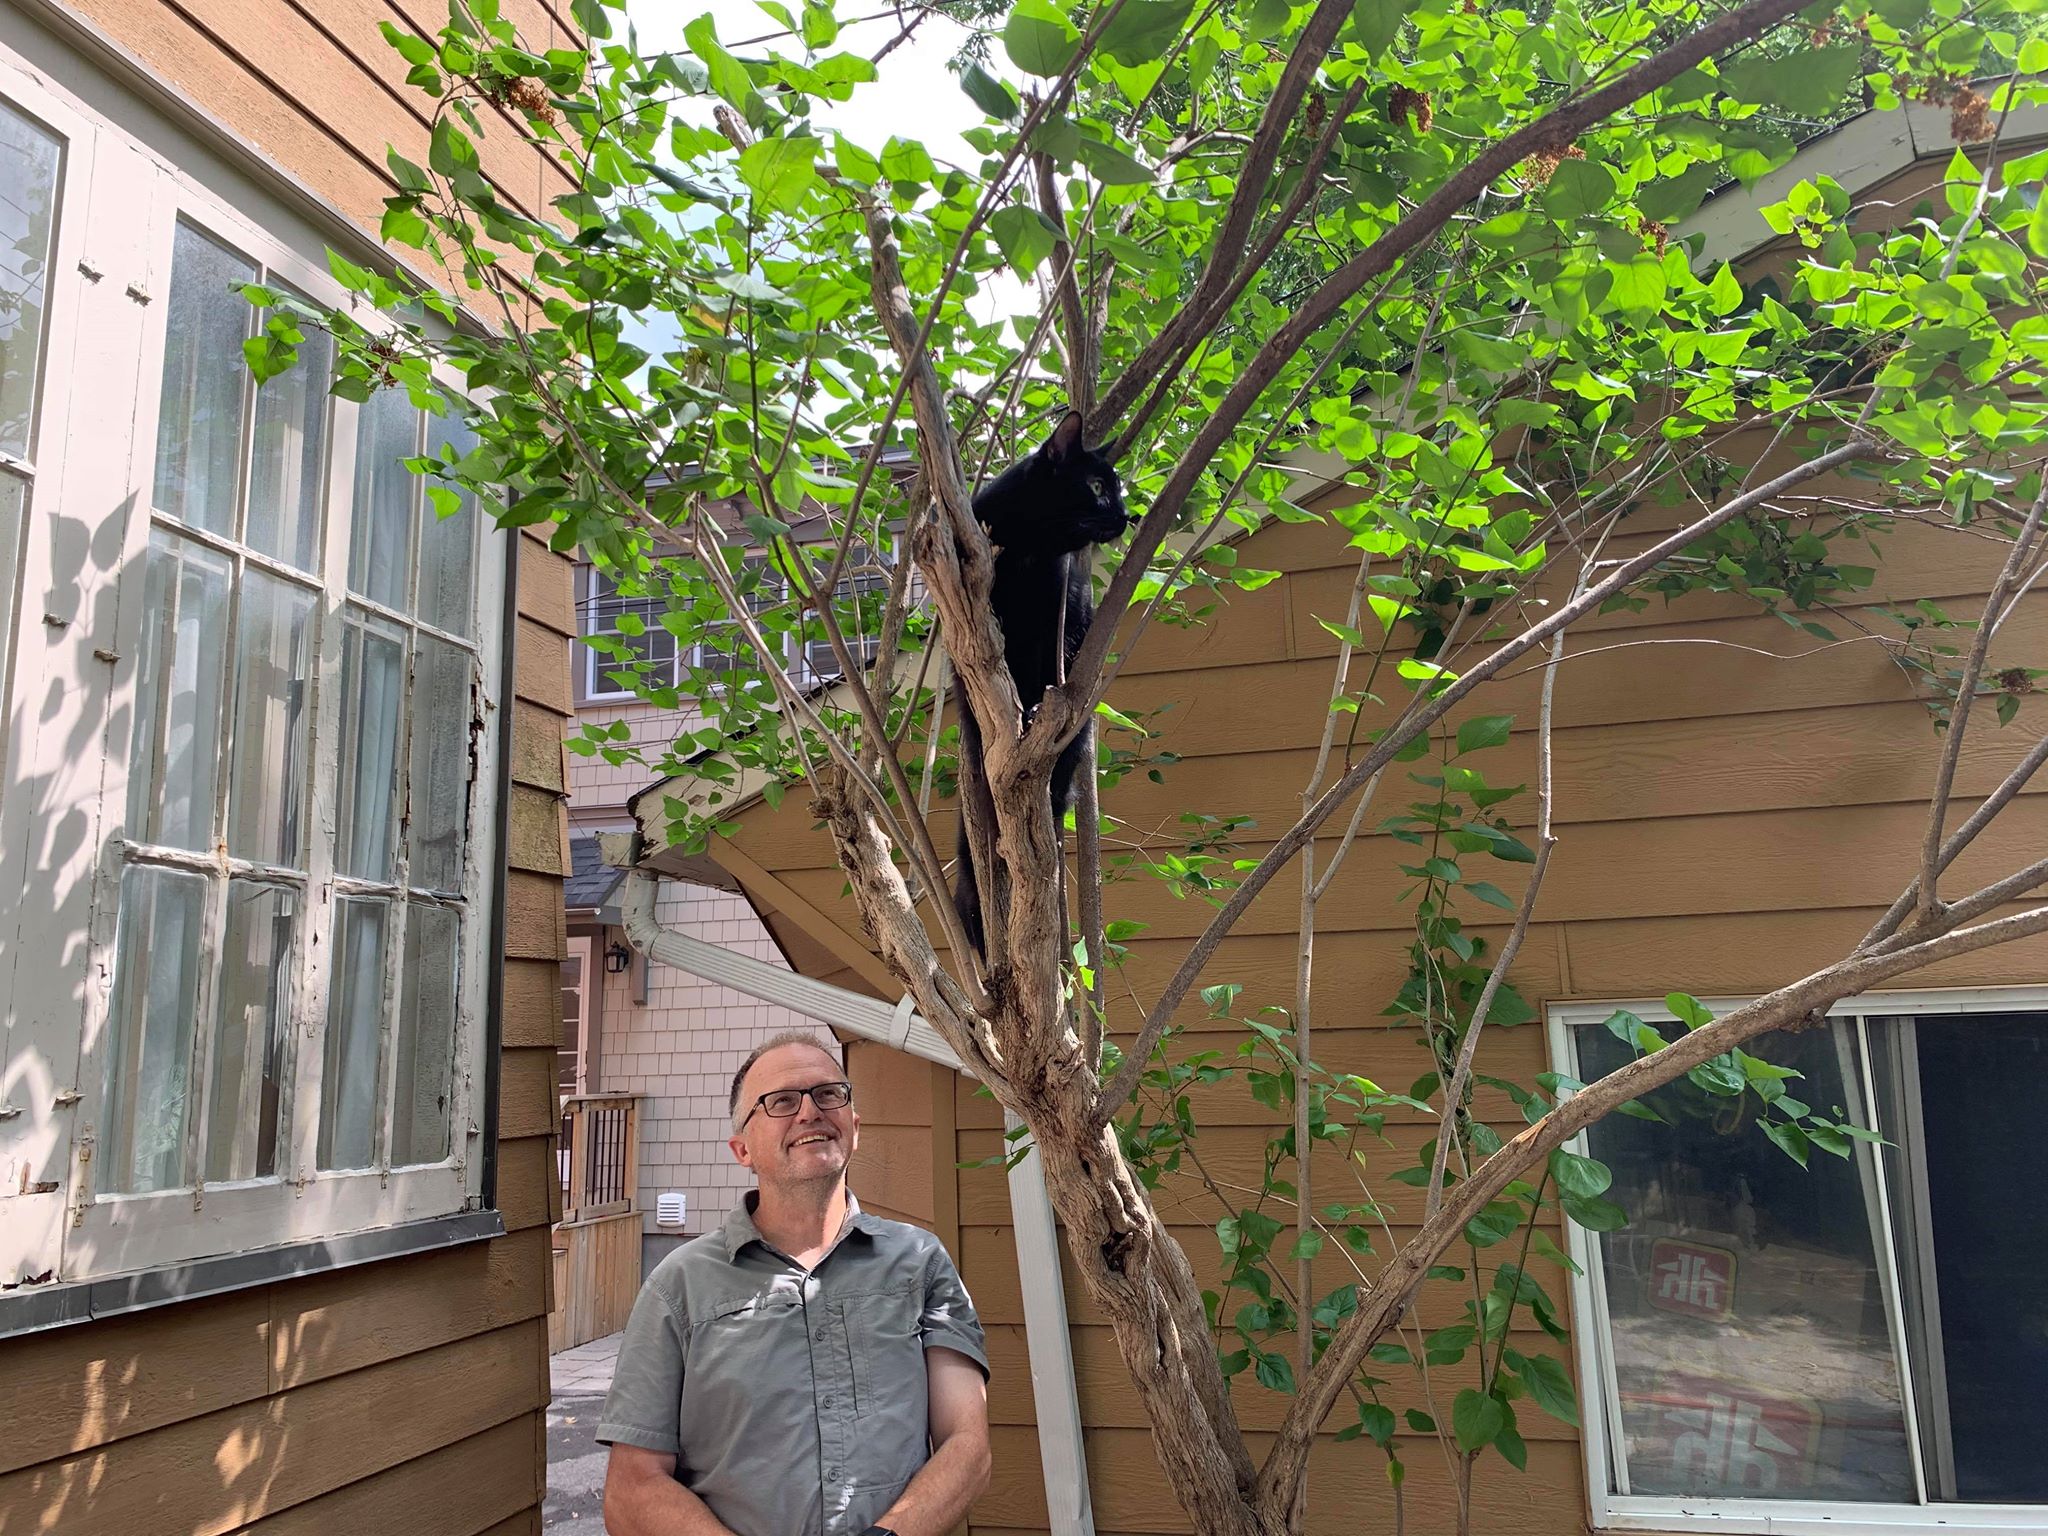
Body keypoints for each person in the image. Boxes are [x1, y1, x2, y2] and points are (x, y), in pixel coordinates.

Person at [598, 1029, 991, 1536]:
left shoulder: (921, 1264)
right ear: (742, 1149)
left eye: (828, 1094)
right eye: (781, 1101)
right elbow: (632, 1489)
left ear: (854, 1127)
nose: (810, 1112)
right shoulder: (679, 1288)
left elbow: (967, 1445)